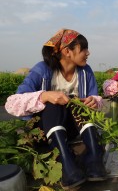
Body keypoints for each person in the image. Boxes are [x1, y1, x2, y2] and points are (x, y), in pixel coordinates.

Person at [5, 29, 107, 190]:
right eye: (84, 49)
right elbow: (12, 103)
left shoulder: (86, 71)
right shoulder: (42, 70)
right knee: (53, 103)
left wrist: (94, 101)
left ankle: (94, 156)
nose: (88, 53)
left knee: (77, 103)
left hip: (73, 129)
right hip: (44, 131)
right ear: (67, 51)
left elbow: (97, 98)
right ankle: (65, 161)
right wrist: (45, 95)